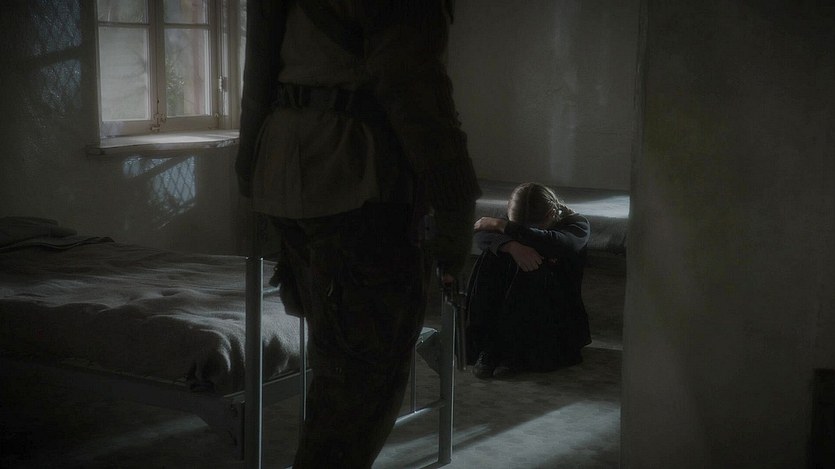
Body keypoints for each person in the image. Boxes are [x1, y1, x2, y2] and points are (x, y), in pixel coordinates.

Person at [235, 1, 480, 467]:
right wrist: (455, 203)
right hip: (354, 176)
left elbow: (258, 70)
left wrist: (251, 169)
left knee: (339, 365)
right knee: (365, 378)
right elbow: (414, 84)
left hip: (286, 166)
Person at [466, 182, 590, 379]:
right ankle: (491, 345)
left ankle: (509, 350)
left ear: (551, 214)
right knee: (493, 255)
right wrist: (512, 246)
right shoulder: (515, 222)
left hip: (555, 312)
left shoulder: (577, 225)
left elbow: (553, 242)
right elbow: (481, 236)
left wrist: (502, 226)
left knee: (533, 262)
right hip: (513, 303)